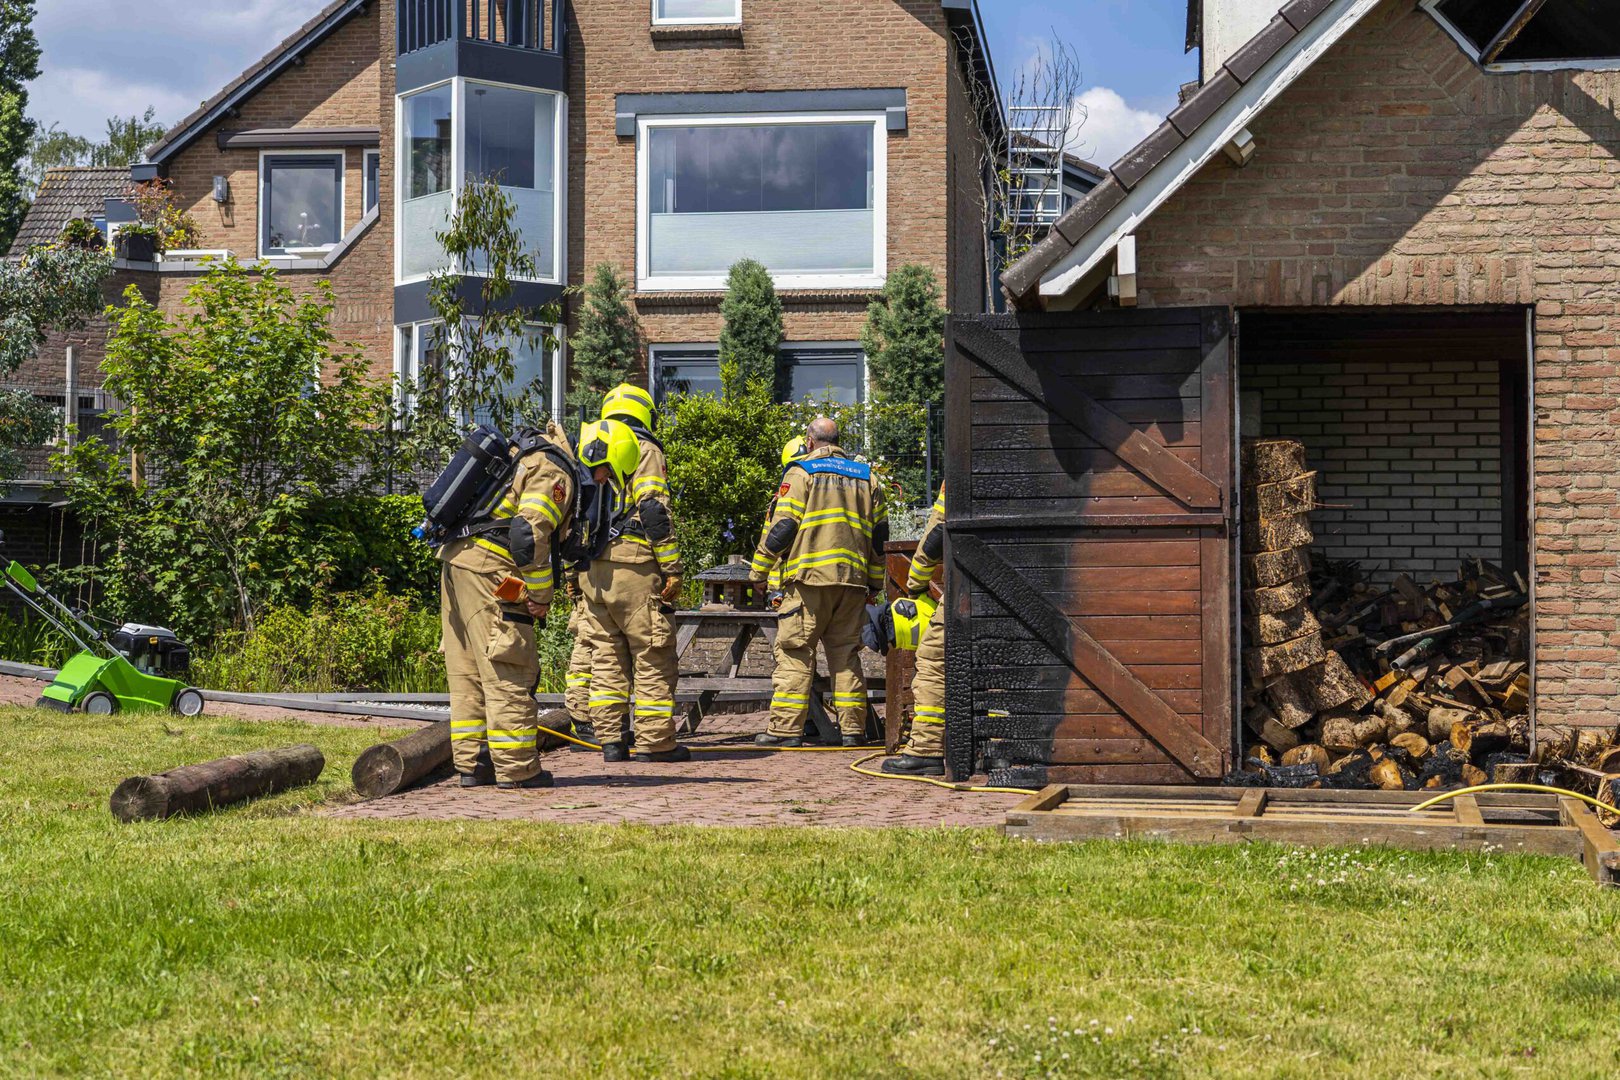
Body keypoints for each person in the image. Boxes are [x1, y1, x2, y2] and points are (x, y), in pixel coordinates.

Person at [439, 421, 577, 791]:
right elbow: (527, 534)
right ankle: (517, 768)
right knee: (509, 667)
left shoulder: (520, 454)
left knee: (468, 671)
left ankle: (475, 763)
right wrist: (541, 594)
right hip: (494, 573)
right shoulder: (553, 467)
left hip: (457, 562)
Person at [748, 417, 887, 747]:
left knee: (795, 652)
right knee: (846, 656)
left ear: (810, 442)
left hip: (808, 582)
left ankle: (785, 731)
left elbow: (783, 528)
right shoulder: (867, 477)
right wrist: (875, 583)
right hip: (852, 583)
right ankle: (853, 731)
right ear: (838, 440)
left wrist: (758, 573)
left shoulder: (802, 472)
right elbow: (881, 537)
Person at [583, 386, 690, 763]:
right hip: (635, 566)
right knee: (652, 654)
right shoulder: (645, 448)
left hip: (593, 570)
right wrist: (672, 568)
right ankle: (655, 742)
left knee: (606, 658)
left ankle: (611, 741)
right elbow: (653, 511)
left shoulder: (589, 446)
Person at [885, 481, 947, 776]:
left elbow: (937, 533)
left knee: (934, 657)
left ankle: (926, 750)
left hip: (974, 586)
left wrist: (916, 583)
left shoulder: (969, 461)